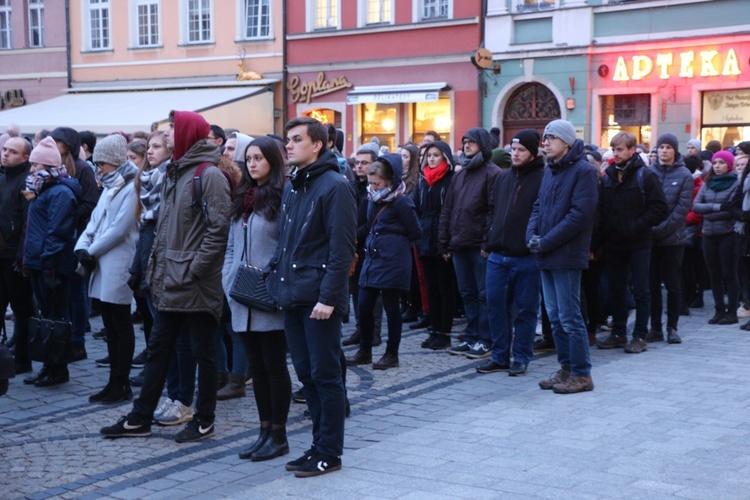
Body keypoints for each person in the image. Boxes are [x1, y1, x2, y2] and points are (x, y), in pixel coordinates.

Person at [100, 110, 231, 443]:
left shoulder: (208, 174)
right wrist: (157, 270)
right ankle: (140, 417)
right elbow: (162, 230)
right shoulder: (175, 172)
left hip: (195, 284)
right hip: (171, 280)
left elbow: (218, 230)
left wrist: (194, 269)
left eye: (174, 128)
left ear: (187, 132)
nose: (168, 134)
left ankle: (204, 420)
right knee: (159, 349)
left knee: (203, 352)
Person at [266, 116, 356, 477]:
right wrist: (275, 278)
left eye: (297, 139)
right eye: (287, 139)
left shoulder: (335, 185)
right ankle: (317, 445)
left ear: (317, 144)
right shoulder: (294, 185)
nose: (288, 145)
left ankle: (330, 452)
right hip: (293, 293)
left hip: (319, 298)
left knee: (325, 375)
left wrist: (329, 298)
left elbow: (342, 249)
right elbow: (285, 241)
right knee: (306, 375)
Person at [224, 137, 291, 461]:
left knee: (274, 367)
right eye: (248, 158)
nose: (252, 164)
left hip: (269, 297)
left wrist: (272, 283)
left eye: (259, 158)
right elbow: (232, 247)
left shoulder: (282, 197)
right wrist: (228, 280)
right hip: (241, 296)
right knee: (258, 370)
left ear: (273, 162)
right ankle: (264, 431)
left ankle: (279, 434)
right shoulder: (243, 198)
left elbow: (285, 248)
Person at [527, 119, 598, 394]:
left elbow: (579, 216)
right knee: (555, 317)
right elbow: (538, 205)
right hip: (545, 253)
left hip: (566, 254)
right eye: (544, 138)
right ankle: (566, 367)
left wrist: (546, 241)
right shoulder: (551, 169)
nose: (545, 143)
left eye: (550, 138)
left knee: (570, 317)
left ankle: (582, 374)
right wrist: (531, 235)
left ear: (566, 142)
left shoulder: (583, 171)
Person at [76, 135, 139, 403]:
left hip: (118, 261)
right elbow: (95, 222)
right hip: (102, 260)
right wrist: (81, 246)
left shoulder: (131, 185)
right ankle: (114, 380)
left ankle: (121, 382)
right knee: (110, 324)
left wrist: (90, 251)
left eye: (102, 163)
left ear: (114, 161)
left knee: (119, 322)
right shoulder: (111, 184)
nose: (98, 168)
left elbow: (120, 229)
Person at [478, 129, 545, 376]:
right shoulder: (504, 178)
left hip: (526, 256)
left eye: (521, 150)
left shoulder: (542, 178)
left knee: (526, 309)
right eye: (513, 149)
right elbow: (492, 210)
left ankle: (522, 356)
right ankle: (499, 355)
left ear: (533, 152)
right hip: (498, 255)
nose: (515, 154)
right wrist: (488, 238)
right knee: (496, 306)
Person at [346, 154, 422, 370]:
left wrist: (394, 244)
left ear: (389, 180)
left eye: (377, 183)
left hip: (393, 260)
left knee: (391, 308)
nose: (373, 187)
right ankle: (365, 350)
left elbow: (416, 231)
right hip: (372, 259)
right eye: (371, 183)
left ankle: (391, 354)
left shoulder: (402, 201)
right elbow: (370, 224)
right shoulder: (372, 197)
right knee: (363, 306)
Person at [595, 132, 668, 353]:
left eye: (619, 149)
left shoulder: (645, 176)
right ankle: (618, 333)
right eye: (613, 149)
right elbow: (600, 212)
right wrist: (599, 241)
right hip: (614, 244)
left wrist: (635, 226)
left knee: (641, 290)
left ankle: (639, 336)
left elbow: (659, 209)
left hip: (638, 243)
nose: (615, 154)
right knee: (617, 290)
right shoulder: (607, 176)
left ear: (632, 150)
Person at [22, 137, 81, 387]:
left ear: (48, 167)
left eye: (36, 165)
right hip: (39, 261)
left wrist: (49, 264)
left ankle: (59, 368)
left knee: (56, 317)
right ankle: (49, 365)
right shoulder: (43, 189)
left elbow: (58, 232)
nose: (32, 170)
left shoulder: (60, 192)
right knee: (47, 317)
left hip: (52, 264)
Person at [438, 128, 500, 360]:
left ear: (482, 144)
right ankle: (472, 336)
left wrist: (487, 241)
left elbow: (493, 211)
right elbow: (449, 209)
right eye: (464, 141)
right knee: (467, 294)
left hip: (479, 245)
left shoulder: (492, 173)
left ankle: (486, 339)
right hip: (459, 243)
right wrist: (444, 242)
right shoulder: (460, 174)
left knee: (484, 294)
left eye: (471, 142)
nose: (466, 145)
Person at [646, 134, 693, 343]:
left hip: (673, 240)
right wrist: (650, 228)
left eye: (668, 147)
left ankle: (672, 327)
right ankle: (655, 327)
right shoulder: (648, 172)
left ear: (675, 150)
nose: (664, 151)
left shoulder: (684, 175)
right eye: (661, 147)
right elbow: (643, 203)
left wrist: (661, 229)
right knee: (652, 285)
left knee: (673, 284)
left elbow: (682, 210)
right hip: (650, 239)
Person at [413, 141, 457, 350]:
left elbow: (453, 212)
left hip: (442, 237)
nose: (431, 158)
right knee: (431, 287)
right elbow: (416, 208)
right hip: (425, 238)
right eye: (429, 155)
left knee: (444, 287)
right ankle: (434, 329)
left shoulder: (451, 180)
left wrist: (447, 242)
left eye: (436, 155)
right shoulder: (423, 180)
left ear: (445, 157)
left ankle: (444, 332)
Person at [0, 137, 35, 375]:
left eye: (12, 151)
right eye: (4, 149)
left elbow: (27, 224)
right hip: (2, 251)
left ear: (24, 157)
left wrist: (21, 257)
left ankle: (23, 358)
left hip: (15, 255)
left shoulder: (27, 181)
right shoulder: (3, 178)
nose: (5, 154)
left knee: (22, 309)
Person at [694, 151, 740, 325]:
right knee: (714, 274)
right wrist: (717, 208)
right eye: (715, 163)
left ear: (729, 165)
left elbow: (731, 209)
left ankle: (732, 311)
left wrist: (710, 210)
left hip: (728, 234)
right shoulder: (707, 183)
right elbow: (696, 206)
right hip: (708, 234)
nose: (718, 165)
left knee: (729, 273)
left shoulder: (735, 183)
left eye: (722, 162)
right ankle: (718, 310)